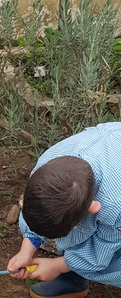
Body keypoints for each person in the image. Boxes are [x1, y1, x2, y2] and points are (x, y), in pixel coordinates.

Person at [7, 122, 121, 298]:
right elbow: (39, 211)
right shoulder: (46, 166)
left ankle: (72, 271)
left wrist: (57, 266)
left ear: (93, 208)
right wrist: (27, 248)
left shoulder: (113, 206)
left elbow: (103, 251)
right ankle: (74, 280)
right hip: (106, 149)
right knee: (69, 219)